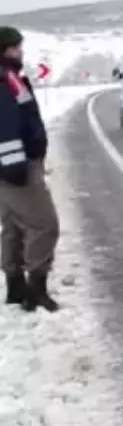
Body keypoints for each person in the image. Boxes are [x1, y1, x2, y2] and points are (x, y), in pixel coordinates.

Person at [0, 26, 59, 312]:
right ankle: (36, 289)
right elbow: (5, 128)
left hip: (13, 164)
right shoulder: (3, 80)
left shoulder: (11, 78)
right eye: (15, 47)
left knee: (12, 226)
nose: (20, 51)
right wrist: (14, 167)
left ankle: (14, 286)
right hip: (16, 166)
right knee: (44, 224)